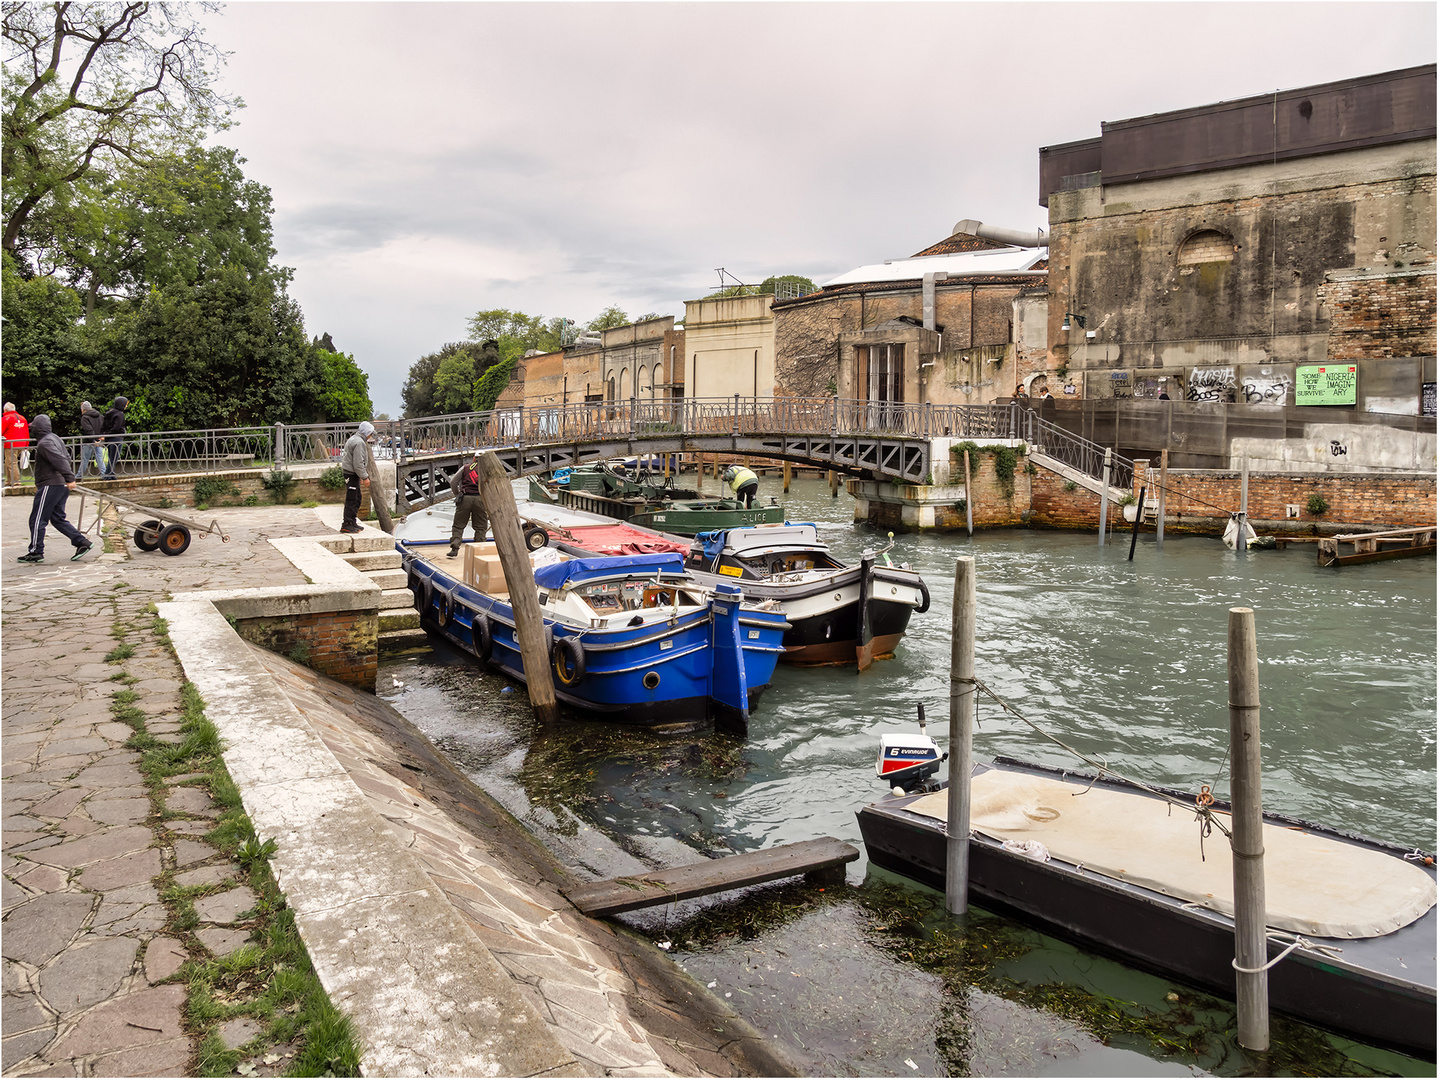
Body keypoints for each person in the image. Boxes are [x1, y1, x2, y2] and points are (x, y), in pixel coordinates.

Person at [17, 414, 91, 564]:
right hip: (60, 484)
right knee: (57, 518)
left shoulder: (44, 443)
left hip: (50, 484)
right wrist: (66, 478)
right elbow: (66, 458)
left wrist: (69, 478)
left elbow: (59, 460)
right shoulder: (55, 438)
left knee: (37, 518)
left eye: (33, 428)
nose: (32, 431)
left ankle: (36, 551)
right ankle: (82, 542)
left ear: (38, 429)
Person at [447, 452, 489, 558]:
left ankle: (455, 548)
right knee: (480, 526)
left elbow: (453, 482)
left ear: (474, 458)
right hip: (480, 499)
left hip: (465, 498)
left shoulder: (466, 467)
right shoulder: (487, 470)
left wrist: (457, 494)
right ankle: (479, 549)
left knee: (458, 525)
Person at [339, 420, 376, 533]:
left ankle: (352, 522)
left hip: (352, 473)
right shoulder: (359, 442)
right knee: (352, 499)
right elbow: (358, 462)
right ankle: (347, 524)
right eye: (370, 433)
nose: (371, 436)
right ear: (366, 432)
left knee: (357, 497)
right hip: (351, 473)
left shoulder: (354, 439)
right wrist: (364, 477)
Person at [99, 396, 128, 480]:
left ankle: (111, 475)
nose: (126, 406)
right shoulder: (120, 414)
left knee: (111, 457)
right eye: (125, 404)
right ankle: (107, 476)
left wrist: (103, 434)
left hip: (109, 438)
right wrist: (110, 433)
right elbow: (117, 427)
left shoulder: (109, 413)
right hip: (116, 438)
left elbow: (103, 425)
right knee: (114, 458)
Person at [3, 403, 29, 487]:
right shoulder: (22, 418)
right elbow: (26, 432)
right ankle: (9, 480)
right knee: (9, 462)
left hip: (10, 444)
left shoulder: (6, 418)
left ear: (5, 410)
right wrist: (26, 445)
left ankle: (16, 481)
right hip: (21, 443)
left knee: (11, 463)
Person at [79, 400, 107, 478]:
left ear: (82, 409)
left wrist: (93, 440)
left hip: (89, 441)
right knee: (99, 458)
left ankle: (79, 476)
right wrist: (102, 436)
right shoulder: (100, 416)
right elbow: (105, 426)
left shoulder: (84, 418)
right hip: (100, 440)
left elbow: (88, 430)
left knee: (85, 459)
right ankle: (104, 474)